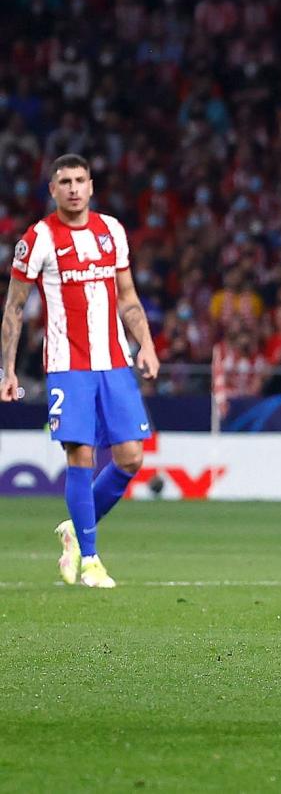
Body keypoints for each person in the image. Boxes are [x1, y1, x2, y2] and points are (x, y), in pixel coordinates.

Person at [1, 153, 160, 589]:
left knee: (130, 457)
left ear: (91, 186)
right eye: (64, 181)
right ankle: (90, 560)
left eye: (80, 180)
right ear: (52, 190)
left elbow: (127, 297)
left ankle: (75, 527)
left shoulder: (111, 232)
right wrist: (8, 371)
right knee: (82, 455)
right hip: (67, 365)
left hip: (114, 361)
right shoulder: (37, 240)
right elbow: (14, 308)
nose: (73, 188)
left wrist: (145, 344)